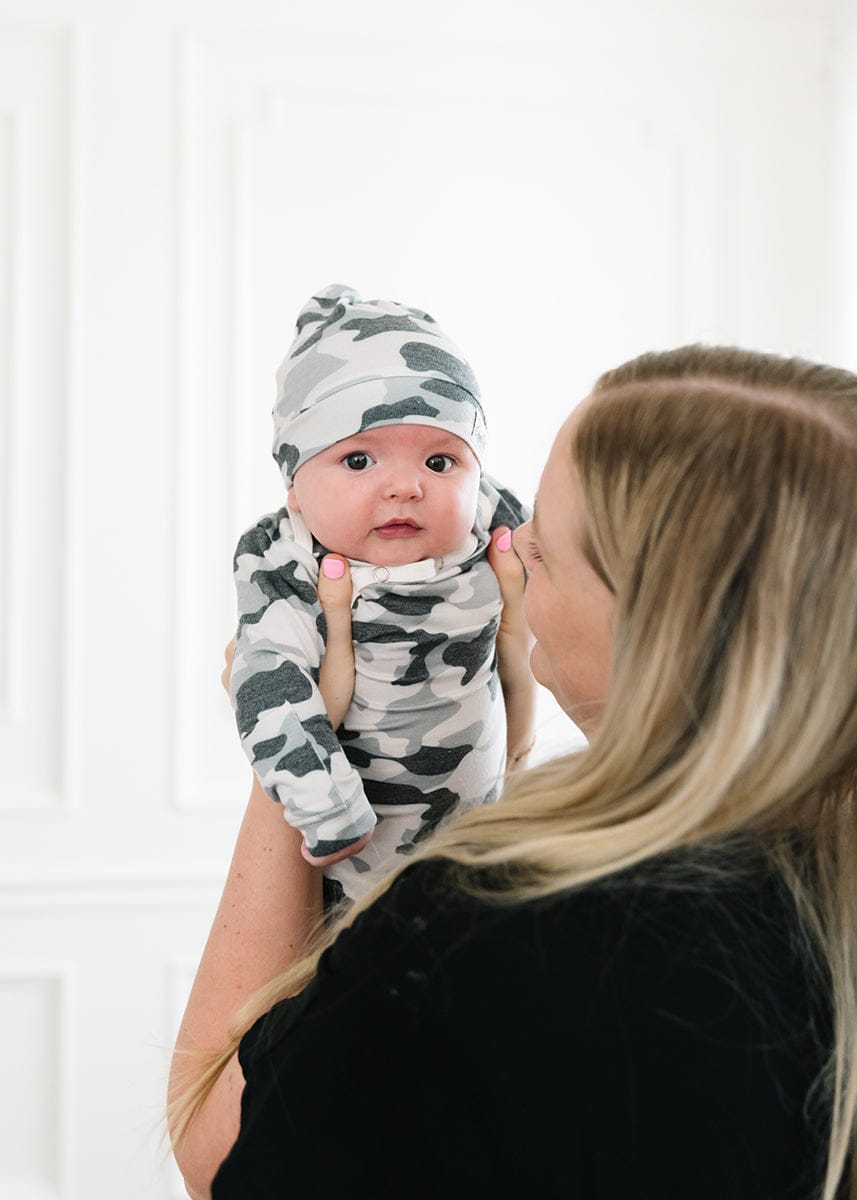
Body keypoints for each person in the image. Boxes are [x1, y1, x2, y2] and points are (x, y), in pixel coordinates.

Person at [170, 344, 857, 1199]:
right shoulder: (811, 886)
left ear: (659, 627)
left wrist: (295, 748)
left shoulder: (490, 920)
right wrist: (507, 718)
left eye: (550, 547)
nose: (514, 544)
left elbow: (216, 1152)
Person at [230, 284, 533, 905]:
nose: (405, 488)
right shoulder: (288, 561)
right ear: (295, 488)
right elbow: (268, 679)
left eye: (441, 463)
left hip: (482, 852)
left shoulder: (493, 524)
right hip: (350, 874)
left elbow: (578, 585)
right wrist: (328, 810)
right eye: (360, 460)